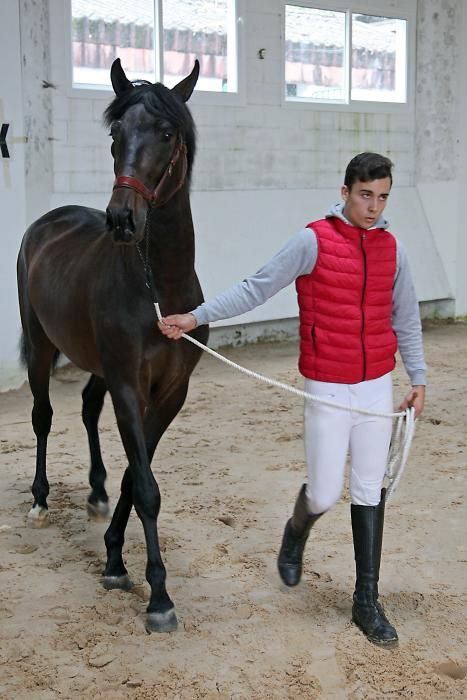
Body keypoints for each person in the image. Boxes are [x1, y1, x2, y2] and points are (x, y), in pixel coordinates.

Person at [158, 152, 426, 647]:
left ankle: (366, 601)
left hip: (375, 387)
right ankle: (296, 530)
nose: (373, 206)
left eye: (383, 197)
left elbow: (406, 317)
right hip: (327, 384)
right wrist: (195, 317)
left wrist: (419, 376)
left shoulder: (394, 250)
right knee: (324, 492)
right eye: (365, 195)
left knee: (370, 488)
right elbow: (256, 287)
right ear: (345, 192)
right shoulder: (313, 241)